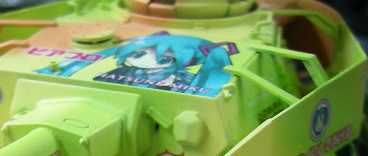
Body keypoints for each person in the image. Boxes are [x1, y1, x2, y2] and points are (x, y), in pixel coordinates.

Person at [35, 32, 235, 96]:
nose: (149, 61)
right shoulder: (124, 71)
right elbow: (103, 81)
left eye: (165, 59)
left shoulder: (183, 79)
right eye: (138, 54)